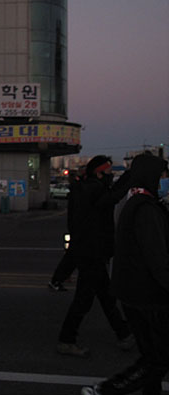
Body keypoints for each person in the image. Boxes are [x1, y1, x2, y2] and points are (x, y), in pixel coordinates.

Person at [82, 154, 169, 395]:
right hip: (147, 296)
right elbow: (157, 259)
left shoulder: (136, 203)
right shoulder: (145, 209)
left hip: (133, 292)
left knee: (152, 356)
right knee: (158, 358)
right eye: (163, 175)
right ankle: (106, 389)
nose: (165, 179)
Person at [56, 155, 134, 357]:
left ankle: (124, 334)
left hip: (91, 252)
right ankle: (67, 340)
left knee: (106, 297)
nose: (110, 176)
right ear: (99, 173)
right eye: (108, 172)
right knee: (85, 300)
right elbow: (111, 198)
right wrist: (129, 178)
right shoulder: (92, 190)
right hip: (92, 253)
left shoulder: (88, 188)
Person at [49, 166, 85, 291]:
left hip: (77, 229)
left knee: (74, 257)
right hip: (80, 230)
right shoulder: (80, 190)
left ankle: (57, 280)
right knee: (75, 257)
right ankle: (57, 280)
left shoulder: (76, 189)